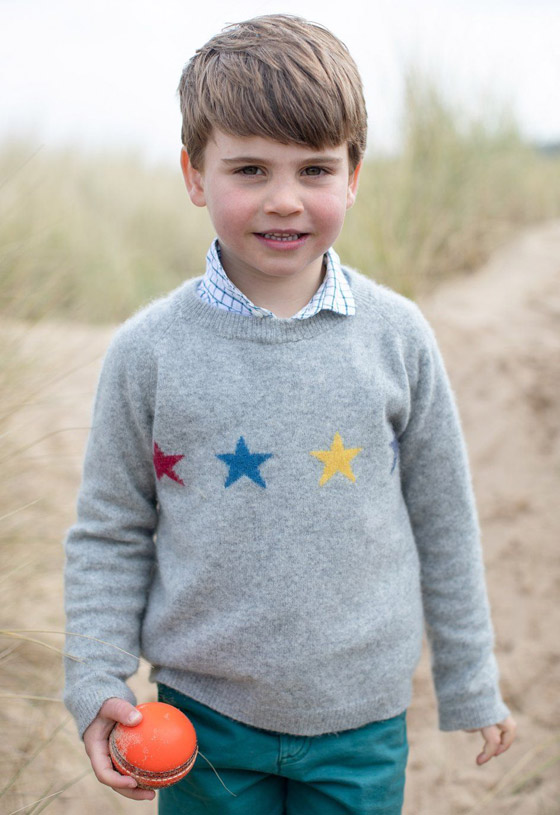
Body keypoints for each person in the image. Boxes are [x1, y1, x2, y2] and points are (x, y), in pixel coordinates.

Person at [64, 14, 516, 814]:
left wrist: (470, 676)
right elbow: (110, 527)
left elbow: (444, 517)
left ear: (353, 175)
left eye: (314, 169)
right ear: (194, 174)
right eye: (249, 169)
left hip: (361, 720)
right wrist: (97, 674)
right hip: (202, 717)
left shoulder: (398, 336)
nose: (284, 200)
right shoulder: (148, 351)